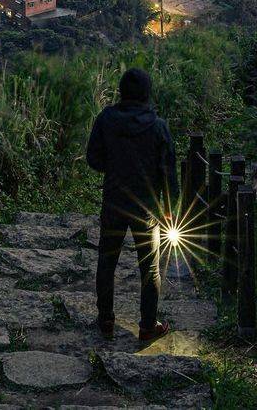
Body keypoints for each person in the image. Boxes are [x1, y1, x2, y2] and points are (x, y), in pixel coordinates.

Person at [85, 66, 178, 343]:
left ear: (121, 91)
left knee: (107, 261)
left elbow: (93, 159)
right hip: (147, 208)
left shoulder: (106, 119)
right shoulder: (159, 126)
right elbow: (168, 172)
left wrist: (115, 167)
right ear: (147, 93)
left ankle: (105, 321)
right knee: (149, 268)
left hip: (113, 201)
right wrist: (170, 208)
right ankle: (148, 325)